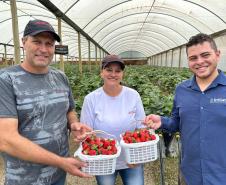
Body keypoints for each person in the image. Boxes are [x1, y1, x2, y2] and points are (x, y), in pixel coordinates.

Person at [0, 19, 92, 185]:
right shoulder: (6, 80)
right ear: (23, 42)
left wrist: (74, 124)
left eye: (49, 44)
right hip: (25, 179)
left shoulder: (60, 77)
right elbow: (6, 139)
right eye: (36, 42)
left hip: (58, 175)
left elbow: (69, 110)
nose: (43, 49)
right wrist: (61, 161)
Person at [144, 33, 226, 185]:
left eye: (205, 55)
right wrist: (161, 121)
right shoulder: (181, 89)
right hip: (190, 174)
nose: (199, 62)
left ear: (217, 55)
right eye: (193, 58)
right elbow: (177, 123)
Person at [80, 54, 146, 185]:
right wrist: (94, 157)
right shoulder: (91, 99)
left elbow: (142, 127)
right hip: (104, 159)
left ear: (122, 74)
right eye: (109, 70)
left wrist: (138, 156)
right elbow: (87, 133)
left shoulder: (133, 95)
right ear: (101, 73)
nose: (113, 74)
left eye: (118, 71)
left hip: (131, 159)